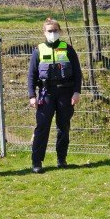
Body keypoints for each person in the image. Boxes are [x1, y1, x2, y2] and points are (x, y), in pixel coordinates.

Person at [27, 18, 82, 173]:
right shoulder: (38, 50)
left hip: (66, 93)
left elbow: (78, 73)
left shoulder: (68, 49)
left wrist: (77, 92)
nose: (53, 33)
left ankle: (61, 159)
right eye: (49, 31)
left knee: (63, 127)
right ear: (44, 32)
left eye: (55, 30)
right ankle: (37, 162)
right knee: (42, 128)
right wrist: (32, 96)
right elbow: (32, 75)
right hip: (46, 94)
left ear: (60, 31)